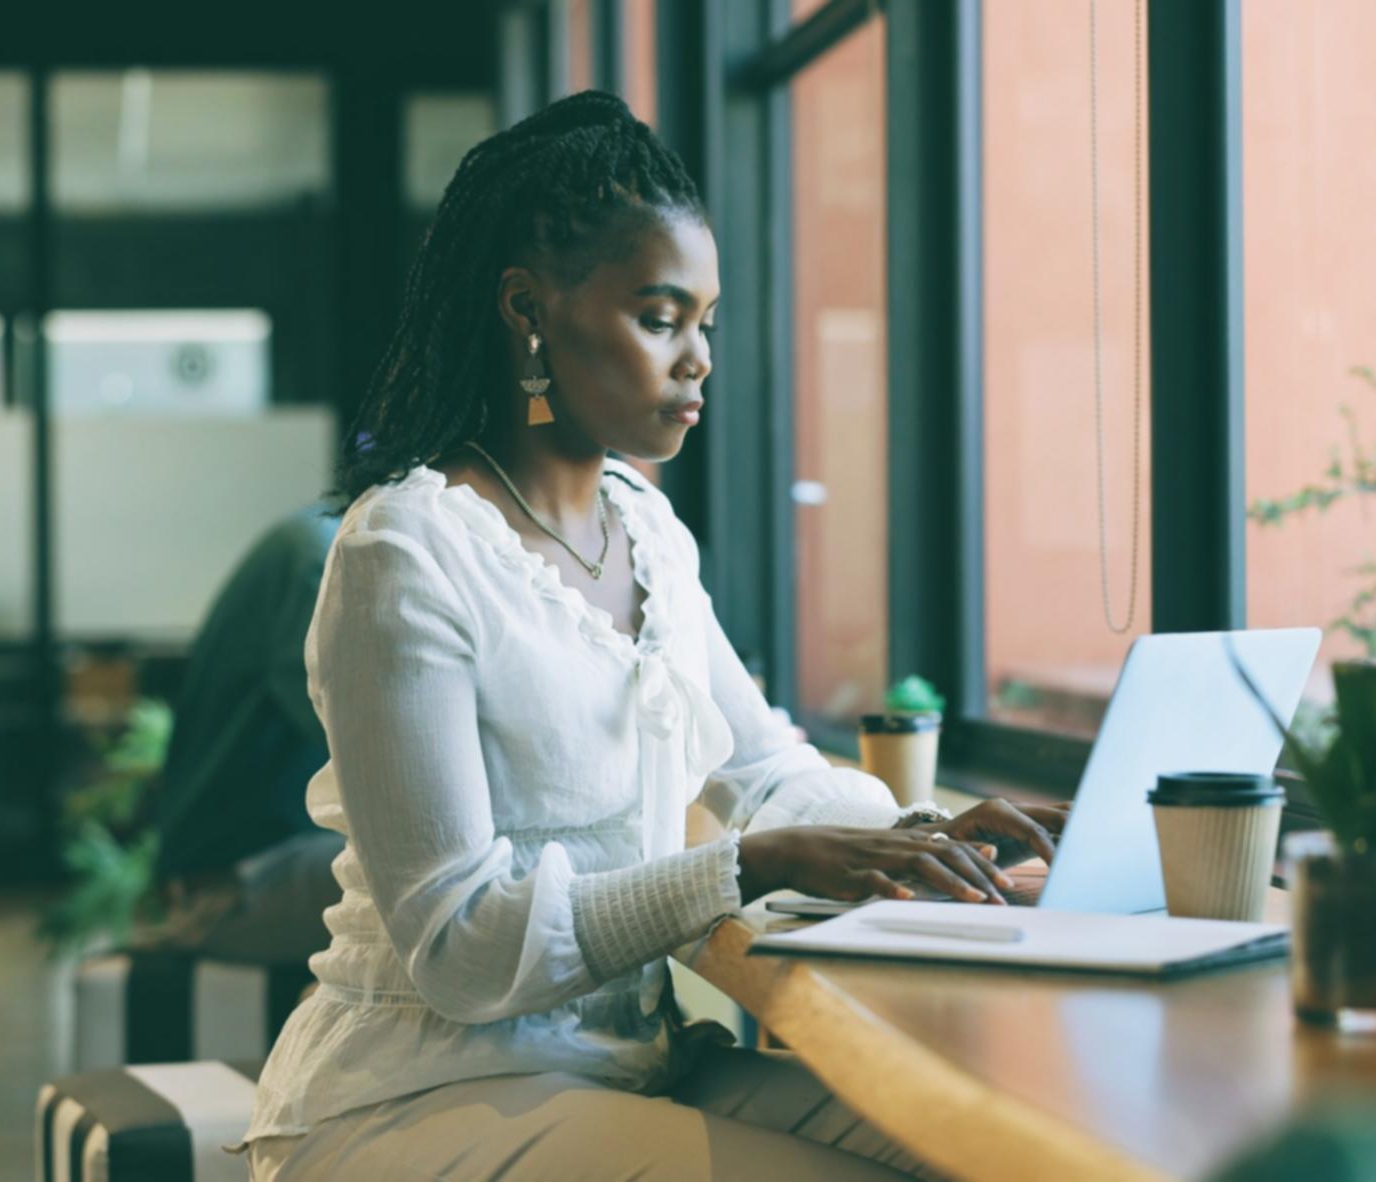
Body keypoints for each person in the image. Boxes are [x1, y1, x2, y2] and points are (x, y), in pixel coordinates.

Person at [240, 92, 1067, 1180]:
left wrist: (925, 835)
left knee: (971, 1157)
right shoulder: (404, 551)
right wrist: (746, 866)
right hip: (419, 1094)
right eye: (660, 316)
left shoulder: (646, 528)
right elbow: (461, 947)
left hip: (627, 1061)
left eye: (707, 322)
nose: (699, 361)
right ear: (529, 312)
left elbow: (766, 766)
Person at [133, 503, 342, 1055]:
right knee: (428, 883)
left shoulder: (314, 543)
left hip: (256, 868)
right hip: (226, 890)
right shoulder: (321, 564)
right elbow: (368, 750)